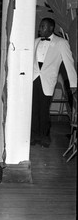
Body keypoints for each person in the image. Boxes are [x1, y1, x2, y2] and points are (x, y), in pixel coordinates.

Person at [31, 17, 77, 147]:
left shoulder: (61, 43)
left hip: (48, 80)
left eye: (43, 26)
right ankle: (34, 135)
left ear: (51, 28)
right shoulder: (35, 42)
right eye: (40, 26)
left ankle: (45, 136)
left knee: (44, 110)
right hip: (34, 79)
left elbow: (69, 63)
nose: (40, 29)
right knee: (34, 109)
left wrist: (74, 84)